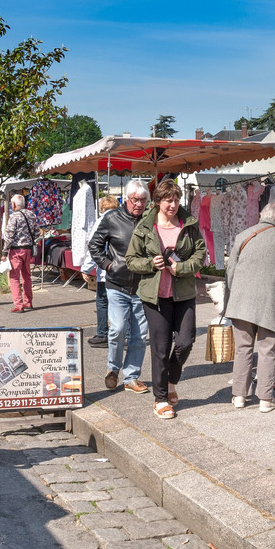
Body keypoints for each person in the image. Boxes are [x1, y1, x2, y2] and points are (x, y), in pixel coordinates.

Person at [126, 178, 207, 420]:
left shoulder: (188, 224)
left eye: (176, 200)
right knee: (160, 349)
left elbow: (200, 254)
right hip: (155, 296)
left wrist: (181, 269)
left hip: (183, 293)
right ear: (158, 201)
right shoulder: (144, 227)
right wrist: (150, 263)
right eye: (167, 200)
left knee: (186, 341)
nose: (172, 205)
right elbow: (131, 259)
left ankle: (171, 379)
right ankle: (160, 399)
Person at [223, 202, 275, 413]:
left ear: (262, 215)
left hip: (241, 302)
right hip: (270, 303)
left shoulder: (243, 235)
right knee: (267, 351)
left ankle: (239, 397)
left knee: (243, 350)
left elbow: (230, 271)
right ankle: (265, 400)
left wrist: (231, 301)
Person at [88, 180, 150, 395]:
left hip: (143, 285)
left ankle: (131, 377)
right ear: (126, 199)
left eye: (143, 200)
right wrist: (107, 264)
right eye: (135, 200)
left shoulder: (149, 219)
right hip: (117, 284)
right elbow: (94, 245)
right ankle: (113, 369)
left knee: (141, 335)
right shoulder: (111, 218)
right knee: (118, 329)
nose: (139, 204)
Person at [87, 195, 119, 347]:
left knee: (102, 301)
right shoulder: (122, 220)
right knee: (120, 303)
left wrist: (86, 268)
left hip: (105, 269)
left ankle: (102, 334)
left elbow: (93, 246)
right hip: (120, 269)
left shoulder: (101, 221)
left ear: (102, 208)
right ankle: (125, 335)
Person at [2, 194, 39, 312]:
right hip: (28, 249)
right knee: (27, 276)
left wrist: (4, 251)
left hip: (16, 249)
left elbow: (9, 235)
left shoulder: (14, 217)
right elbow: (37, 232)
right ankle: (29, 302)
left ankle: (18, 304)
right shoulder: (31, 214)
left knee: (14, 277)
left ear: (13, 204)